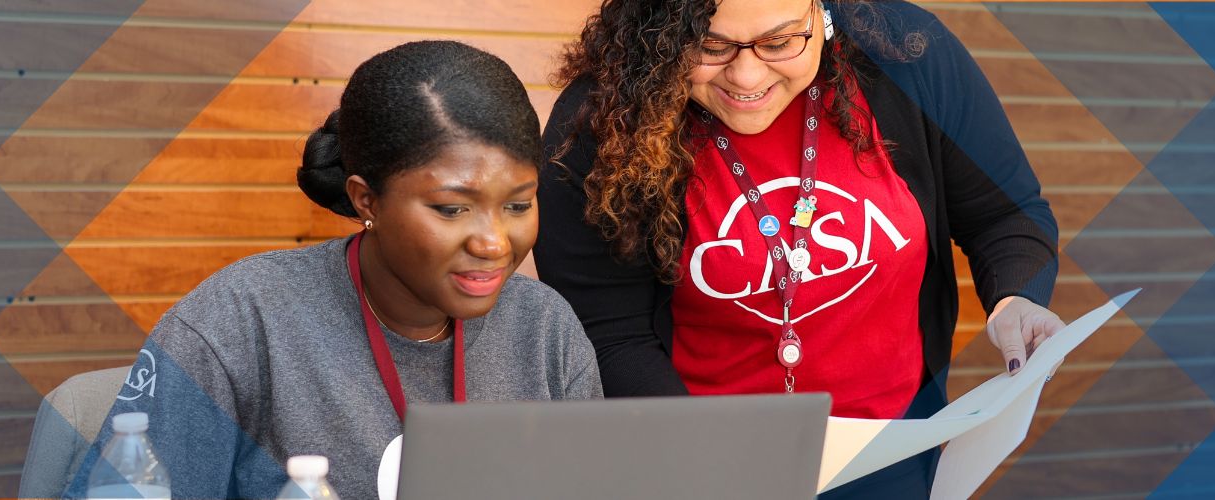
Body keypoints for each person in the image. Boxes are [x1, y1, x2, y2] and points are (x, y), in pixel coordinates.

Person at [535, 0, 1063, 497]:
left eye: (781, 40)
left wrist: (1015, 294)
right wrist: (704, 462)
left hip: (892, 456)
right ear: (662, 30)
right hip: (699, 466)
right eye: (709, 44)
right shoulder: (603, 122)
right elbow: (611, 336)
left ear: (823, 12)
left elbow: (1006, 212)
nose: (747, 77)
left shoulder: (907, 52)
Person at [61, 40, 602, 500]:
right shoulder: (241, 320)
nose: (493, 243)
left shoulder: (544, 329)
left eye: (517, 205)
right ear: (366, 199)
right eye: (451, 209)